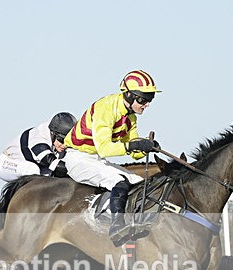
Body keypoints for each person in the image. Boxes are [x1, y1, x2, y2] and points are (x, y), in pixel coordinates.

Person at [63, 69, 161, 245]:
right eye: (143, 100)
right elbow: (105, 149)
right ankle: (116, 227)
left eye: (149, 100)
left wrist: (146, 148)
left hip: (96, 159)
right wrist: (134, 146)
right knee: (119, 181)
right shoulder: (106, 108)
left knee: (141, 183)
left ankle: (135, 224)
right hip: (78, 158)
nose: (146, 104)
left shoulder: (131, 117)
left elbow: (134, 151)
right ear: (129, 95)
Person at [0, 112, 77, 182]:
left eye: (69, 141)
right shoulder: (38, 139)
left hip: (35, 164)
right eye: (62, 140)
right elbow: (53, 163)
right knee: (32, 169)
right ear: (53, 133)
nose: (65, 145)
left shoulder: (55, 135)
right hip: (8, 164)